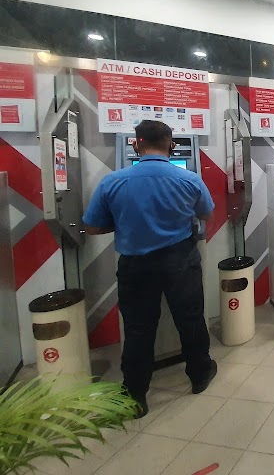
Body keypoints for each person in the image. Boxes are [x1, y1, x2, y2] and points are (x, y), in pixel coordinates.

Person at [83, 120, 217, 417]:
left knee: (139, 329)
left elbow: (92, 227)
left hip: (135, 265)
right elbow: (206, 213)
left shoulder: (112, 181)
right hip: (180, 260)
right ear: (172, 145)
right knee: (190, 318)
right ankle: (199, 374)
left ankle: (135, 395)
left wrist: (124, 224)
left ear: (135, 144)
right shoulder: (189, 179)